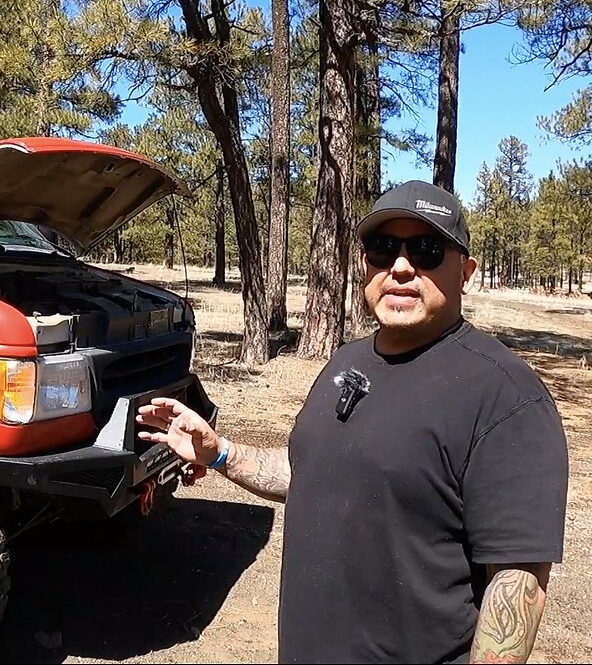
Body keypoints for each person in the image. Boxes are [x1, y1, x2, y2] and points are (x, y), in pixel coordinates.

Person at [138, 180, 568, 664]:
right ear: (365, 264)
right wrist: (218, 451)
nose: (401, 267)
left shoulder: (505, 396)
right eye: (383, 249)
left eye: (426, 250)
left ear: (465, 271)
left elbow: (517, 579)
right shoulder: (348, 363)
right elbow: (312, 473)